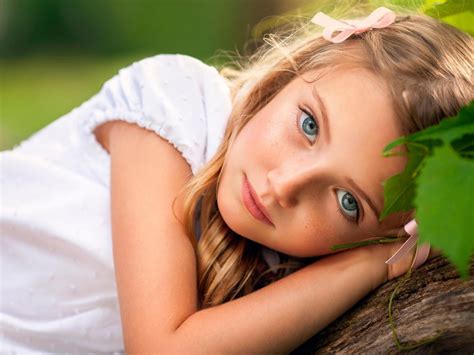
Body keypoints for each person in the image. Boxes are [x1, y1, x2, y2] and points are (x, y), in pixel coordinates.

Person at [0, 5, 472, 353]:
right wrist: (366, 267)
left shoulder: (285, 278)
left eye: (348, 202)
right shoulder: (174, 108)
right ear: (299, 69)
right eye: (308, 125)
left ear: (390, 235)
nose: (284, 185)